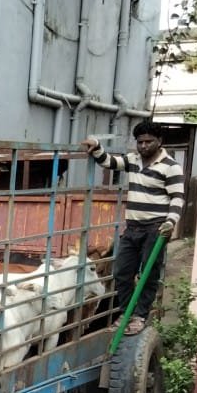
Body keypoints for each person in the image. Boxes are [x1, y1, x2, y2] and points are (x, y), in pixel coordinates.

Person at [80, 121, 184, 336]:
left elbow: (177, 197)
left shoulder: (170, 166)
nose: (144, 146)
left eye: (149, 142)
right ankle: (126, 312)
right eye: (140, 142)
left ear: (159, 142)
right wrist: (96, 146)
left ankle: (140, 316)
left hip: (156, 227)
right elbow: (109, 162)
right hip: (133, 227)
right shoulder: (134, 160)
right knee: (121, 271)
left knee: (148, 272)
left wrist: (170, 222)